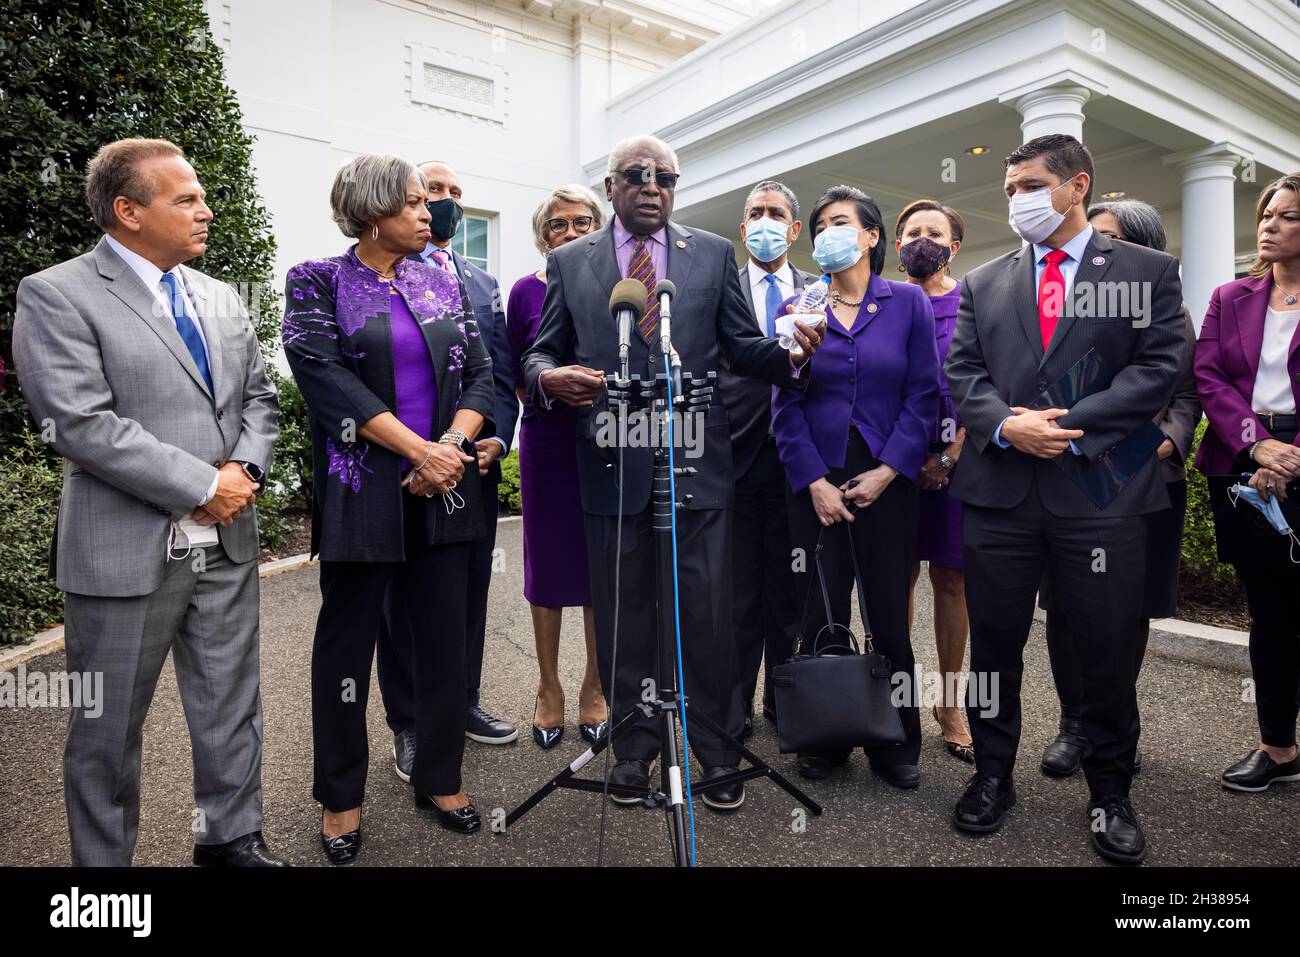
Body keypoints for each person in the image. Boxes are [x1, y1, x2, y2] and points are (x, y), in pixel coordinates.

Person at [521, 134, 823, 812]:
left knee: (708, 618)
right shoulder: (570, 263)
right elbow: (537, 356)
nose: (653, 185)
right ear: (610, 187)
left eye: (665, 176)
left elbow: (746, 350)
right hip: (611, 464)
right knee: (628, 619)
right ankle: (634, 750)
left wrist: (798, 358)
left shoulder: (712, 254)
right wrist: (551, 380)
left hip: (698, 466)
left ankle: (716, 750)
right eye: (637, 175)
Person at [12, 137, 283, 866]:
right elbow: (80, 422)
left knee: (230, 708)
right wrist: (202, 484)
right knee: (106, 733)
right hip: (122, 554)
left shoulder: (221, 295)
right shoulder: (56, 293)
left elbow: (259, 398)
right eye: (186, 198)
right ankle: (104, 881)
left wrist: (242, 474)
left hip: (225, 545)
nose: (207, 209)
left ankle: (227, 840)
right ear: (128, 211)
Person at [944, 133, 1185, 864]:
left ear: (1077, 185)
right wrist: (1007, 423)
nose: (1015, 198)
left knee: (1105, 649)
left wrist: (1071, 428)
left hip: (1101, 492)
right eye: (1009, 188)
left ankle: (1110, 792)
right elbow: (963, 373)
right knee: (995, 645)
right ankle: (992, 776)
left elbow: (1161, 367)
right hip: (1001, 495)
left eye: (1028, 184)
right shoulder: (984, 283)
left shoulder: (1147, 271)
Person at [283, 155, 496, 864]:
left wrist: (450, 448)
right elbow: (325, 381)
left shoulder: (441, 276)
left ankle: (439, 777)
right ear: (372, 211)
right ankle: (340, 798)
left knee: (442, 639)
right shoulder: (317, 280)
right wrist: (418, 451)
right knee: (345, 649)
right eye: (411, 203)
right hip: (362, 491)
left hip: (443, 488)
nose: (427, 214)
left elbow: (483, 372)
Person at [773, 185, 939, 786]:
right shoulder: (800, 304)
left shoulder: (907, 304)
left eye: (840, 222)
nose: (827, 234)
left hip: (886, 477)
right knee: (821, 609)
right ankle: (828, 735)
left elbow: (924, 395)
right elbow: (783, 402)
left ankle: (896, 741)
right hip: (817, 478)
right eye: (819, 226)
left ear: (872, 236)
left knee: (889, 614)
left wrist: (891, 469)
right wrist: (812, 479)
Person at [1039, 199, 1200, 777]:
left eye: (1106, 238)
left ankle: (1111, 728)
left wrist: (1154, 445)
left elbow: (1184, 396)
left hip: (1143, 478)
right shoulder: (1057, 309)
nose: (1093, 252)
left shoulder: (1168, 310)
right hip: (1070, 475)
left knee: (1125, 612)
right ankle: (1072, 724)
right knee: (1063, 607)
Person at [375, 160, 520, 782]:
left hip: (471, 466)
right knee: (399, 602)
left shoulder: (483, 282)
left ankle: (459, 703)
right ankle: (408, 721)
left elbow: (500, 372)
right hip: (401, 466)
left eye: (457, 193)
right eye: (434, 192)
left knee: (465, 593)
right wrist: (424, 449)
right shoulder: (370, 274)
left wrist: (495, 439)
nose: (445, 203)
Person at [1194, 172, 1300, 793]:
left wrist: (1292, 456)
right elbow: (1209, 377)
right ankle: (1278, 747)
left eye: (1287, 216)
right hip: (1243, 468)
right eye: (1266, 214)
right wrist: (1256, 443)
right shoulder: (1230, 296)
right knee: (1269, 614)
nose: (1269, 224)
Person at [506, 184, 609, 749]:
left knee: (599, 568)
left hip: (606, 440)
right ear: (543, 235)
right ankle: (549, 686)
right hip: (547, 440)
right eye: (557, 225)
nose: (570, 233)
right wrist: (549, 387)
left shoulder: (619, 287)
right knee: (546, 568)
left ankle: (595, 687)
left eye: (582, 222)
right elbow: (512, 370)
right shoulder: (525, 291)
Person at [726, 180, 816, 736]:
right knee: (737, 593)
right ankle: (733, 708)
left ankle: (787, 703)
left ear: (794, 227)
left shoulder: (819, 290)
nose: (765, 220)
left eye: (775, 213)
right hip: (734, 459)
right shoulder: (720, 288)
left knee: (792, 590)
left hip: (799, 461)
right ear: (743, 229)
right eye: (755, 213)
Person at [896, 198, 974, 764]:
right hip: (890, 463)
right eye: (911, 232)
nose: (922, 240)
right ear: (893, 244)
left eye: (934, 232)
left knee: (951, 582)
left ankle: (949, 702)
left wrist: (949, 455)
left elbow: (986, 383)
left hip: (956, 464)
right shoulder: (883, 302)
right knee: (893, 579)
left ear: (954, 244)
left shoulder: (972, 304)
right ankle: (893, 700)